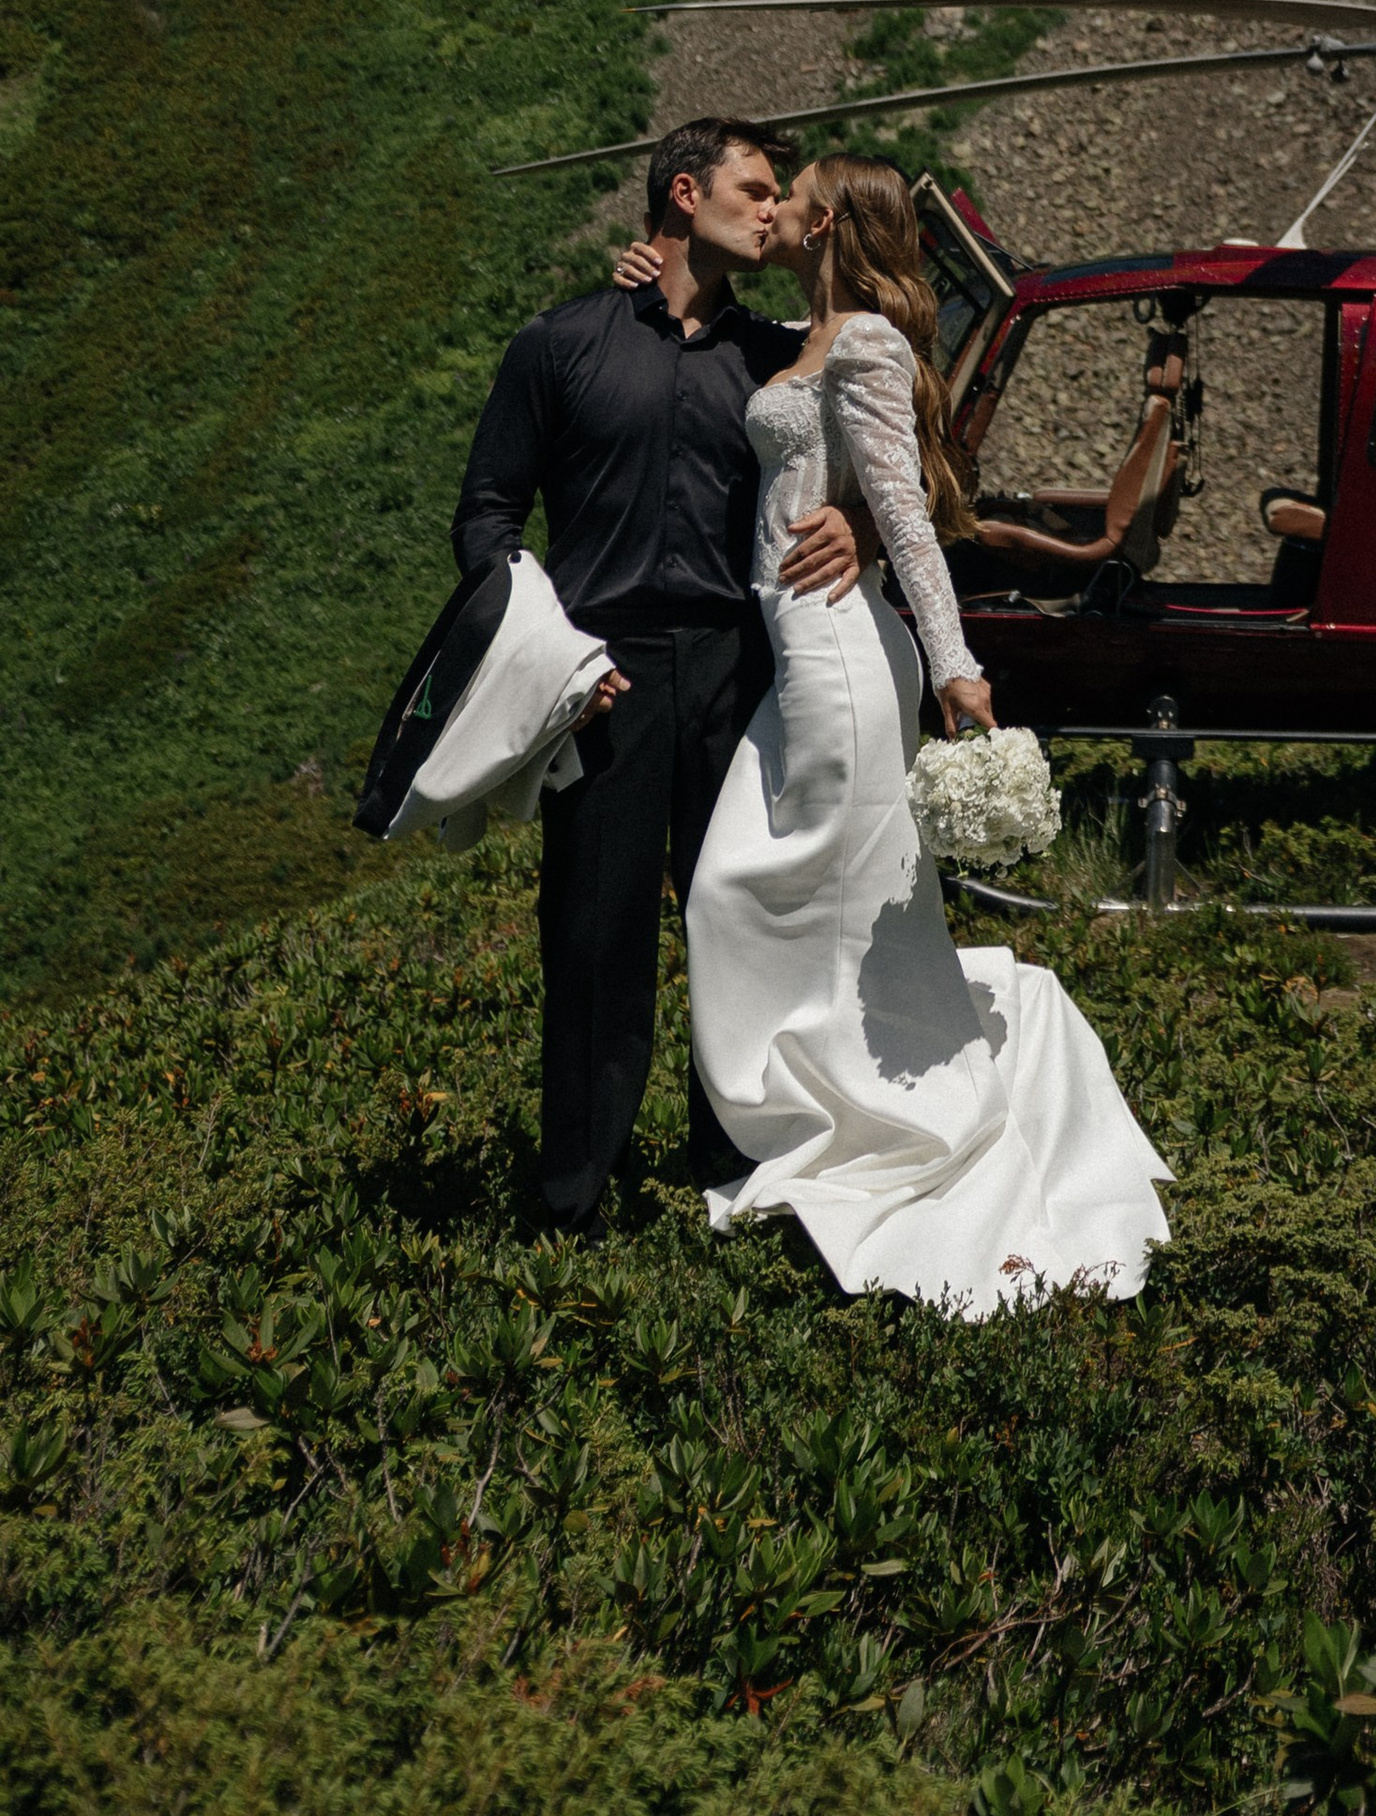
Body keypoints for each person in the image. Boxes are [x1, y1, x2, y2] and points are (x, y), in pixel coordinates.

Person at [679, 153, 1171, 1311]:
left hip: (841, 658)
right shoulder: (816, 331)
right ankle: (834, 1104)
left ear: (828, 215)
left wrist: (957, 671)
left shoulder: (861, 344)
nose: (774, 205)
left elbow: (904, 515)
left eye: (786, 190)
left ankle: (881, 1116)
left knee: (761, 896)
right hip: (802, 656)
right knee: (767, 896)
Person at [449, 116, 865, 1230]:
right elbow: (487, 514)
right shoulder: (560, 343)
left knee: (746, 931)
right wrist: (550, 656)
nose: (771, 207)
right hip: (604, 678)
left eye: (781, 194)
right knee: (594, 937)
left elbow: (894, 436)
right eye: (753, 187)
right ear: (684, 194)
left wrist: (858, 529)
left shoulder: (778, 357)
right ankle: (572, 1203)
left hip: (743, 676)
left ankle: (735, 1183)